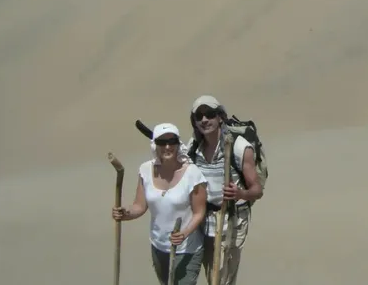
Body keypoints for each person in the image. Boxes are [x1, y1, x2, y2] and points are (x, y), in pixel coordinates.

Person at [112, 123, 208, 285]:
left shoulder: (193, 174)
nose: (167, 146)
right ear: (155, 145)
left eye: (172, 141)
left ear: (178, 144)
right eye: (162, 142)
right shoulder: (145, 170)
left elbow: (199, 212)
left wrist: (183, 234)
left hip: (186, 249)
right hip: (158, 246)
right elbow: (139, 206)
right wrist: (125, 213)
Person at [186, 95, 263, 285]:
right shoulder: (193, 147)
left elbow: (257, 189)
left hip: (232, 221)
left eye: (210, 114)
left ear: (220, 117)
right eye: (199, 116)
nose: (204, 120)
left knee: (223, 277)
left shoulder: (239, 147)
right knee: (213, 276)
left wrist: (240, 194)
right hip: (204, 223)